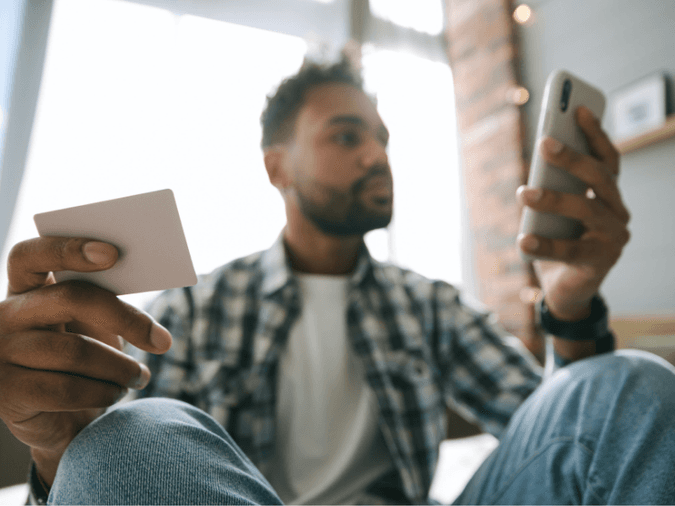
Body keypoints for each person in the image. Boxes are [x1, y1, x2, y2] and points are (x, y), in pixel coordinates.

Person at [0, 57, 674, 505]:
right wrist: (62, 447)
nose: (377, 154)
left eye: (381, 137)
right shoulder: (191, 309)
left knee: (629, 384)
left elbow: (566, 437)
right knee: (125, 437)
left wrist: (570, 303)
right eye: (346, 136)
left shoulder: (426, 305)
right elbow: (120, 476)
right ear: (277, 168)